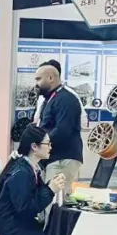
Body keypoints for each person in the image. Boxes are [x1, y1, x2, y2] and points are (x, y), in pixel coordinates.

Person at [35, 62, 83, 196]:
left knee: (55, 199)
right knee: (48, 198)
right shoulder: (51, 99)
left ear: (50, 78)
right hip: (52, 157)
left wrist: (39, 144)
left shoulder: (66, 99)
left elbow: (62, 131)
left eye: (38, 79)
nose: (36, 84)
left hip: (63, 158)